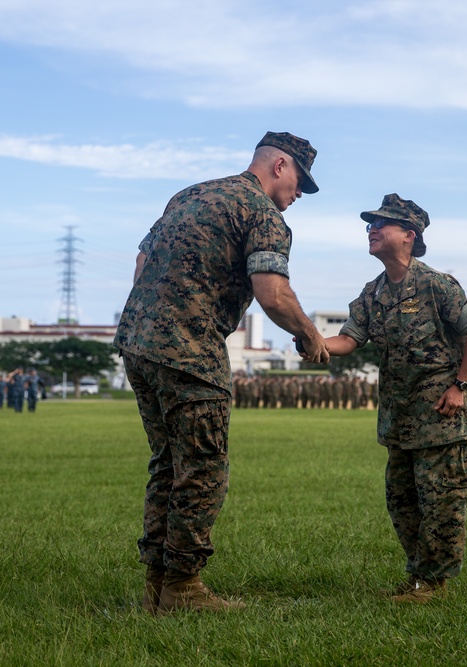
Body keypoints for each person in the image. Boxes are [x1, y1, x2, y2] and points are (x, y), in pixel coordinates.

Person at [114, 131, 330, 614]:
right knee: (203, 468)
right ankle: (183, 588)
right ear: (278, 166)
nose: (298, 195)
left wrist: (162, 312)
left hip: (139, 341)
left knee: (168, 463)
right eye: (300, 182)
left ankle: (157, 585)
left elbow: (142, 261)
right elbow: (272, 293)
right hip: (190, 351)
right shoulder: (261, 214)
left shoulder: (190, 195)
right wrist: (309, 334)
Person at [311, 194, 467, 604]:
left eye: (381, 224)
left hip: (440, 416)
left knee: (441, 502)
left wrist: (459, 385)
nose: (372, 230)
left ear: (409, 235)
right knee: (402, 502)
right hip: (399, 419)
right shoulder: (372, 293)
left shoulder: (435, 284)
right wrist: (314, 340)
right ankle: (419, 578)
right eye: (370, 225)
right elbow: (349, 339)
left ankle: (435, 584)